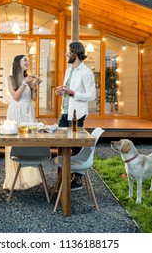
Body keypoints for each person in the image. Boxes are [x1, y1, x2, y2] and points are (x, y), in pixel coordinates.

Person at [55, 41, 96, 191]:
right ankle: (64, 174)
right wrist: (62, 91)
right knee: (61, 143)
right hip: (64, 112)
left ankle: (78, 179)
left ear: (75, 53)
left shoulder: (86, 72)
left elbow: (91, 95)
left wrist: (71, 93)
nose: (66, 54)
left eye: (68, 52)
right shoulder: (68, 70)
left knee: (76, 145)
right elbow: (68, 91)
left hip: (76, 115)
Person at [2, 54, 42, 190]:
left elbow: (34, 98)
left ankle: (29, 178)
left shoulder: (29, 77)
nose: (28, 62)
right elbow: (16, 97)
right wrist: (25, 83)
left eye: (28, 60)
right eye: (25, 60)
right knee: (14, 143)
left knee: (29, 141)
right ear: (17, 62)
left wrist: (35, 87)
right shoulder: (11, 78)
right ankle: (14, 179)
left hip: (27, 110)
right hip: (16, 110)